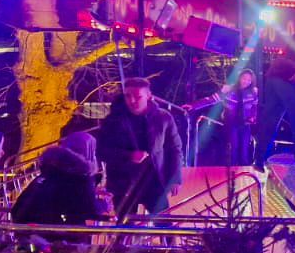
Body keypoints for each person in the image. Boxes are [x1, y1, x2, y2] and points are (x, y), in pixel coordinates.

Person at [96, 76, 183, 217]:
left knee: (164, 224)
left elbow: (174, 149)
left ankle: (167, 239)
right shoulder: (113, 121)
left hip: (153, 180)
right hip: (123, 182)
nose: (132, 101)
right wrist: (129, 156)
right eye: (128, 96)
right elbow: (102, 150)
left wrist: (175, 178)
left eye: (137, 97)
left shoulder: (163, 118)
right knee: (125, 228)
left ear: (148, 96)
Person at [11, 131, 108, 227]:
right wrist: (104, 204)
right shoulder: (79, 178)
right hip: (60, 235)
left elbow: (19, 207)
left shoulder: (47, 174)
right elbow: (87, 208)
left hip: (32, 230)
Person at [254, 56, 295, 167]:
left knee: (269, 123)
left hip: (275, 83)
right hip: (283, 81)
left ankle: (259, 159)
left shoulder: (276, 77)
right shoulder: (283, 81)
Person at [221, 69, 259, 166]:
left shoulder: (253, 92)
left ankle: (244, 174)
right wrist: (223, 92)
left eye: (249, 80)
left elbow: (254, 106)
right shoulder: (231, 90)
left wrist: (253, 117)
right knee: (234, 148)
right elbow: (221, 102)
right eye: (244, 78)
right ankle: (232, 172)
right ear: (240, 78)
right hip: (233, 123)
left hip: (245, 124)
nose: (246, 81)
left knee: (244, 150)